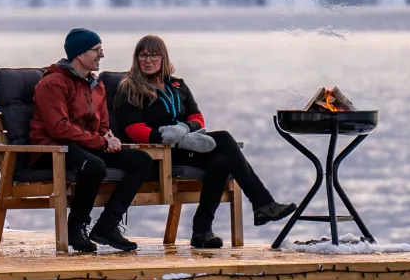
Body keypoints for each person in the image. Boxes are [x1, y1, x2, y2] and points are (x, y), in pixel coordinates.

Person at [112, 34, 294, 248]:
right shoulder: (130, 87)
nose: (148, 60)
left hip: (188, 147)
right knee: (224, 138)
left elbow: (197, 118)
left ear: (163, 58)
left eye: (153, 55)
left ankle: (202, 231)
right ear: (136, 58)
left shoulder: (178, 85)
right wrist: (165, 137)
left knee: (222, 162)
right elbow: (133, 129)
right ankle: (262, 203)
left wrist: (182, 129)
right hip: (157, 155)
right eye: (143, 56)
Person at [31, 28, 152, 253]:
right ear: (79, 54)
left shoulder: (96, 84)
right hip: (53, 149)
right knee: (94, 166)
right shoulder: (53, 83)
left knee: (141, 161)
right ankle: (76, 227)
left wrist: (108, 136)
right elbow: (59, 128)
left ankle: (107, 225)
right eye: (96, 50)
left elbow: (102, 125)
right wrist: (100, 143)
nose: (101, 55)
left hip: (84, 145)